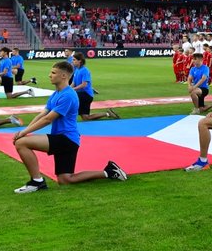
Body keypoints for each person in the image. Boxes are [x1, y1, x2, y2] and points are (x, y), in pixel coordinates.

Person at [11, 61, 128, 194]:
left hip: (67, 139)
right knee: (65, 179)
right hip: (64, 139)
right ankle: (108, 172)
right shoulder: (56, 94)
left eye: (53, 73)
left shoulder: (68, 95)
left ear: (64, 76)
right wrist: (24, 131)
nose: (50, 75)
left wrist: (23, 133)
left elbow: (48, 119)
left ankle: (37, 182)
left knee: (21, 143)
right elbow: (42, 114)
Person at [71, 53, 119, 121]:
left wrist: (73, 89)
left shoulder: (85, 71)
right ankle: (107, 114)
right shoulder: (77, 70)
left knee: (85, 117)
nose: (72, 61)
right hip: (81, 94)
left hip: (85, 95)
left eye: (74, 60)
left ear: (80, 61)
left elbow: (84, 84)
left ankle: (107, 114)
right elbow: (74, 82)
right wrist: (68, 89)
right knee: (85, 116)